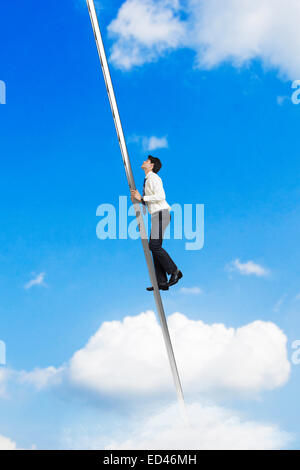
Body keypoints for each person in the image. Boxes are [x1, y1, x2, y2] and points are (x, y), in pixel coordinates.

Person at [130, 155, 182, 291]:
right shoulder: (148, 180)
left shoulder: (154, 178)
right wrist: (140, 200)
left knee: (154, 245)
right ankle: (162, 282)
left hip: (162, 214)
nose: (143, 161)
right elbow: (151, 201)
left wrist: (142, 197)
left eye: (146, 161)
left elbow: (161, 196)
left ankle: (175, 271)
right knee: (154, 246)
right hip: (156, 215)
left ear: (151, 165)